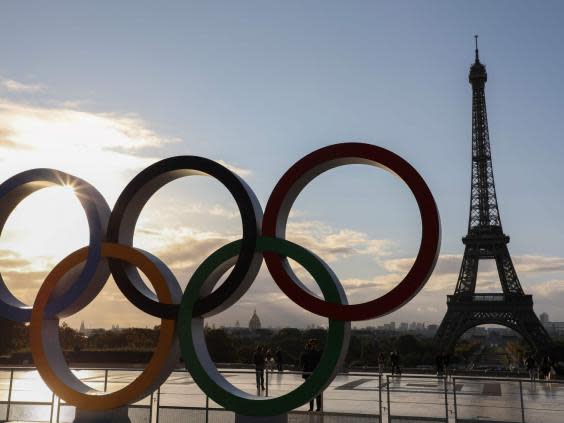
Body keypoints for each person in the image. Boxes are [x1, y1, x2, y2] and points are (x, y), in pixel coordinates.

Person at [301, 339, 322, 412]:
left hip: (316, 374)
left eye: (314, 344)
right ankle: (311, 407)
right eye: (312, 344)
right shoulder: (307, 353)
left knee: (317, 392)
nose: (313, 345)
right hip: (309, 374)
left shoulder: (318, 353)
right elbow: (302, 361)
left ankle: (319, 407)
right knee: (310, 392)